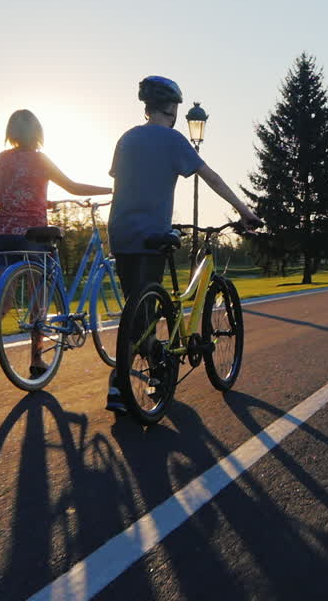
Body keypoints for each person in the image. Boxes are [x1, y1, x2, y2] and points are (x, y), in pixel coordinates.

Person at [105, 75, 262, 412]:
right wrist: (245, 211)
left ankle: (142, 371)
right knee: (144, 314)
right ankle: (123, 382)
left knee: (138, 305)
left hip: (120, 233)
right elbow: (212, 178)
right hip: (150, 232)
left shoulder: (127, 138)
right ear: (173, 107)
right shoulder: (174, 140)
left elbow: (125, 183)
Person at [0, 109, 112, 386]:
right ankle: (36, 359)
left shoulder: (3, 158)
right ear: (38, 132)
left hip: (1, 233)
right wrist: (111, 189)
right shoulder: (41, 159)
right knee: (39, 296)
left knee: (2, 300)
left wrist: (31, 198)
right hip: (32, 234)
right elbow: (73, 187)